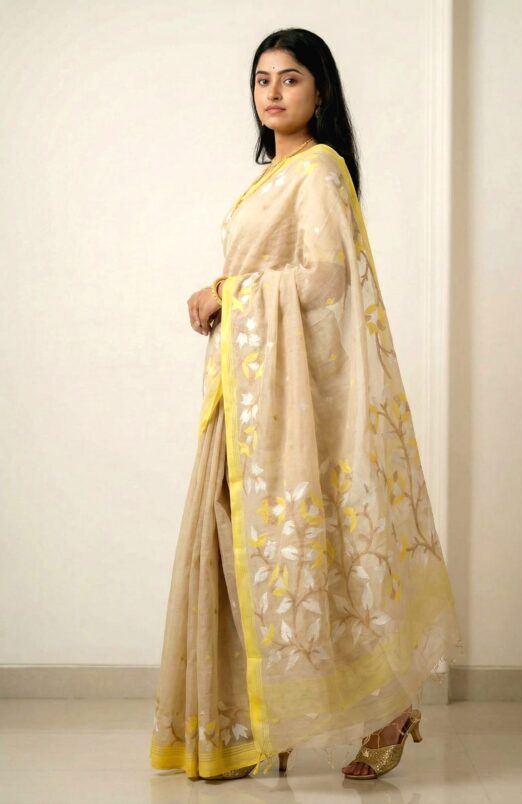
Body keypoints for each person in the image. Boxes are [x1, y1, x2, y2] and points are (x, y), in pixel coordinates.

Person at [149, 27, 463, 782]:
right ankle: (269, 719)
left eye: (290, 78)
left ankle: (389, 709)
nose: (273, 91)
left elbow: (325, 279)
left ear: (320, 92)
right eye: (262, 79)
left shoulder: (319, 170)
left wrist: (227, 292)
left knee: (322, 551)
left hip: (297, 400)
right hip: (252, 393)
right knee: (251, 547)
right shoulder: (276, 176)